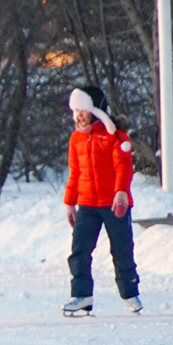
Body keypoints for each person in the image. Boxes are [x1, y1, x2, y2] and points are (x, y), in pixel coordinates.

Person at [62, 86, 141, 317]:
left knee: (122, 249)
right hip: (87, 204)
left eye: (83, 110)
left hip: (115, 204)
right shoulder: (76, 138)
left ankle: (130, 293)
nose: (79, 115)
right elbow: (75, 172)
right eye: (76, 110)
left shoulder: (115, 136)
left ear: (95, 110)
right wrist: (70, 202)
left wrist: (121, 193)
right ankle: (81, 294)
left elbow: (123, 167)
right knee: (80, 250)